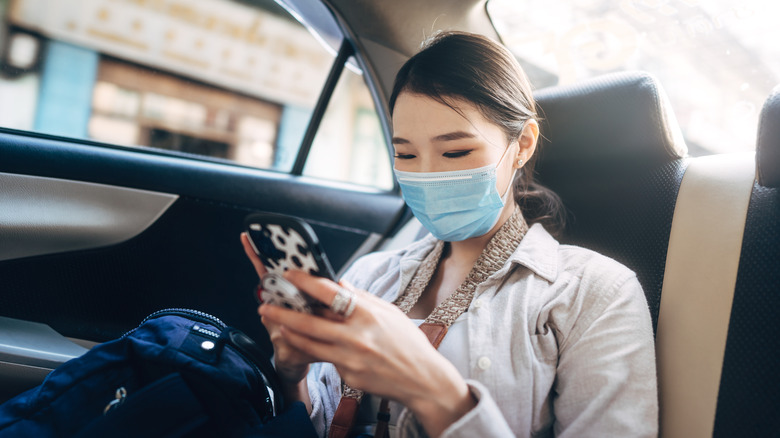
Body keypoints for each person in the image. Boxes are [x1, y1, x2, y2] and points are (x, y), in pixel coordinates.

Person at [240, 31, 658, 437]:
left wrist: (433, 390)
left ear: (524, 144)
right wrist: (292, 375)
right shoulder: (368, 276)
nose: (425, 175)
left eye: (456, 152)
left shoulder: (593, 293)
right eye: (405, 154)